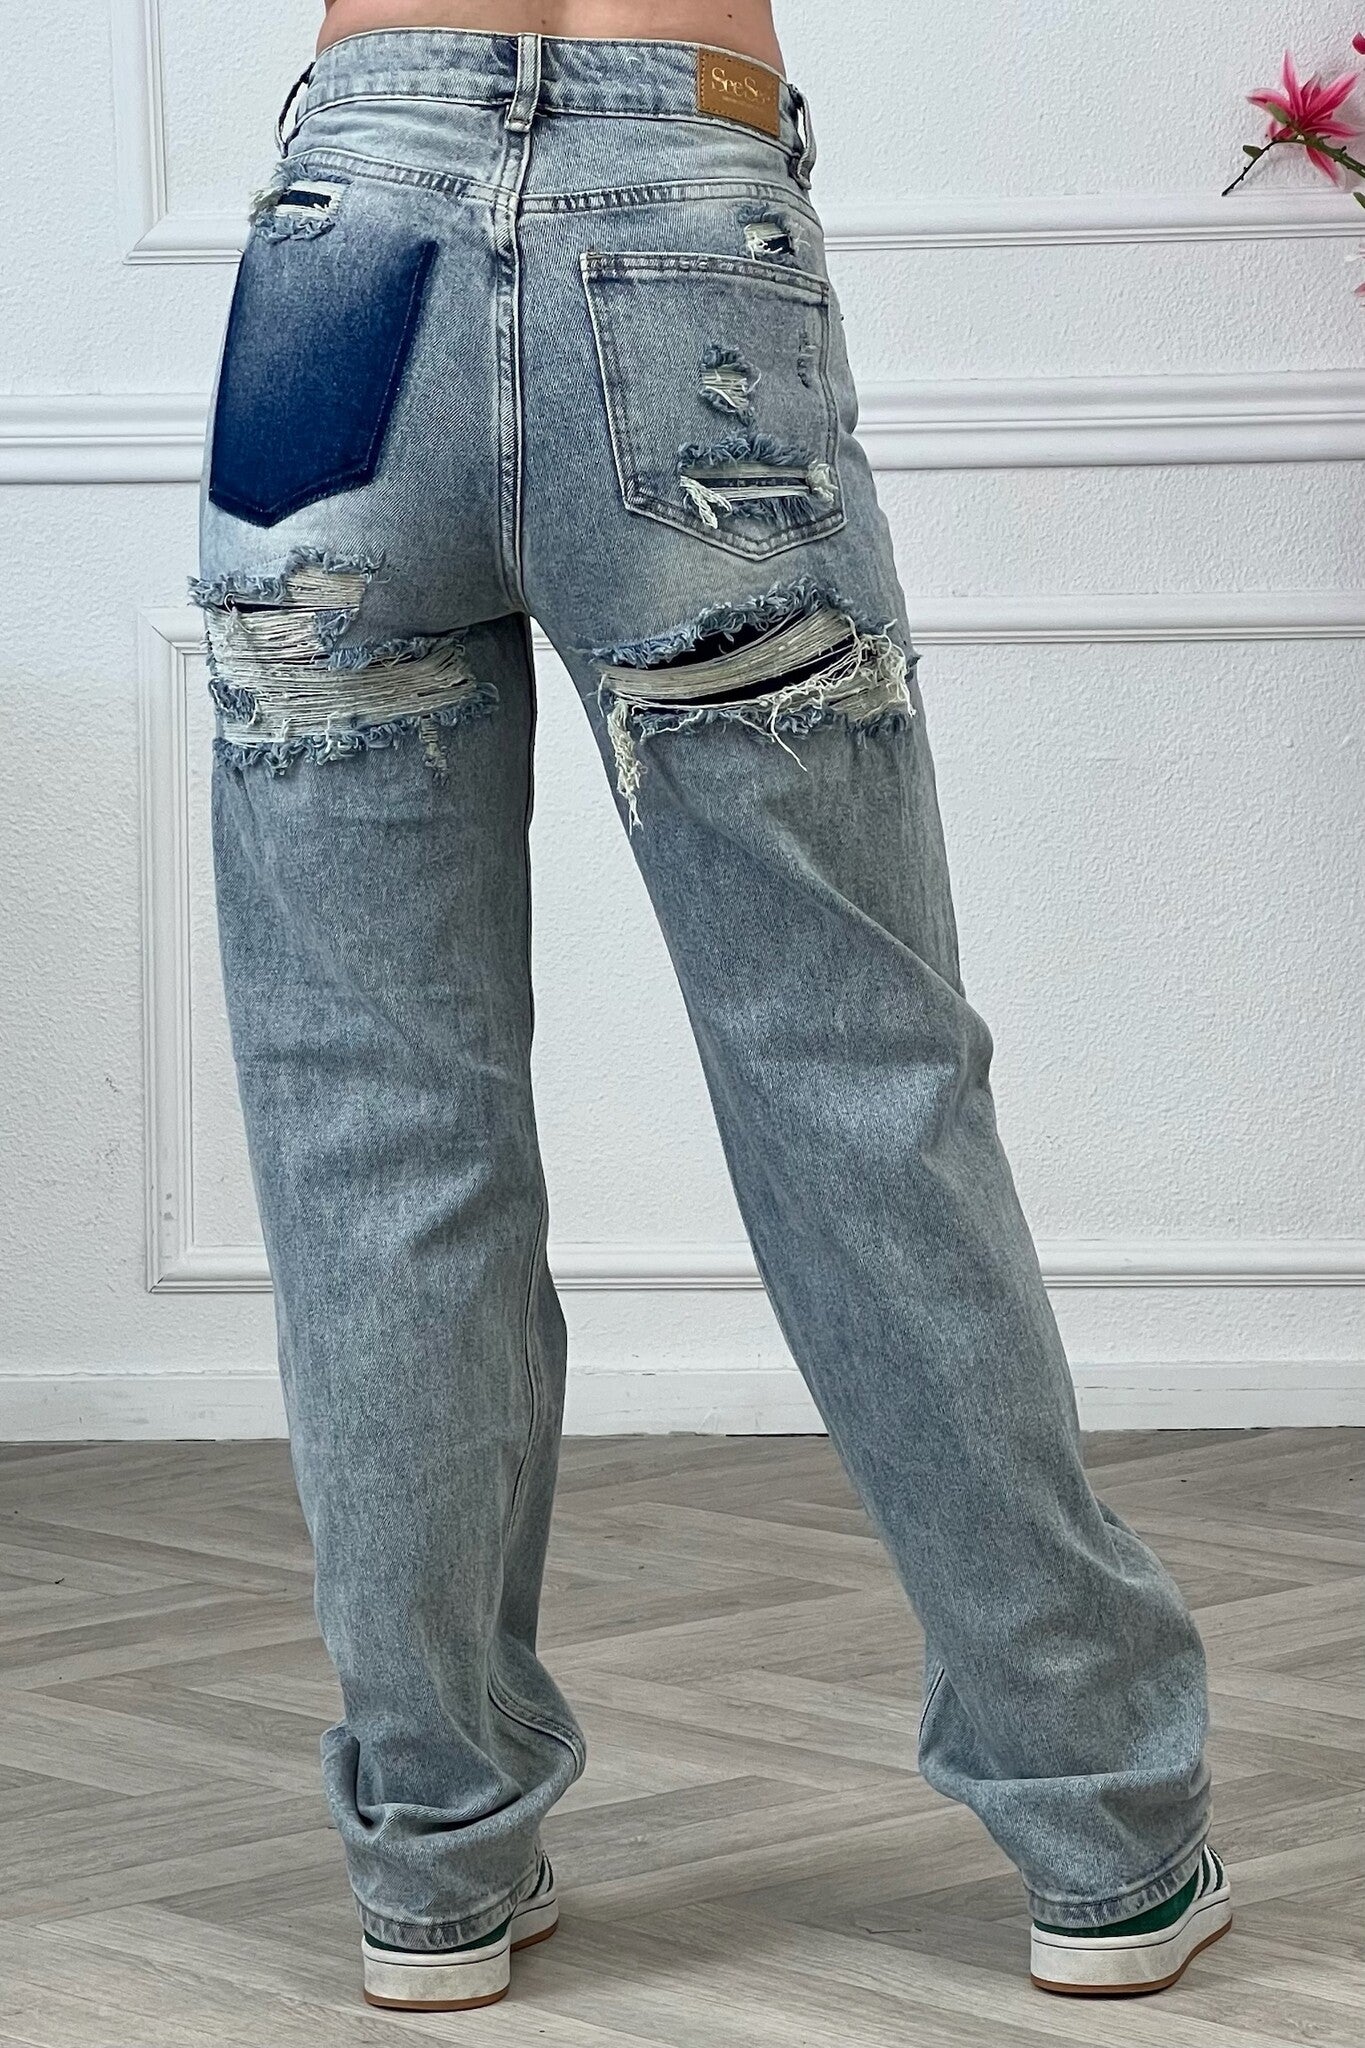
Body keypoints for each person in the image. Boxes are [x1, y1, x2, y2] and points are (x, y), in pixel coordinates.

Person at [192, 0, 1231, 2012]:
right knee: (860, 1094)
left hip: (341, 237)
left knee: (370, 1125)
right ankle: (1102, 1830)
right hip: (674, 222)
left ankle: (433, 1852)